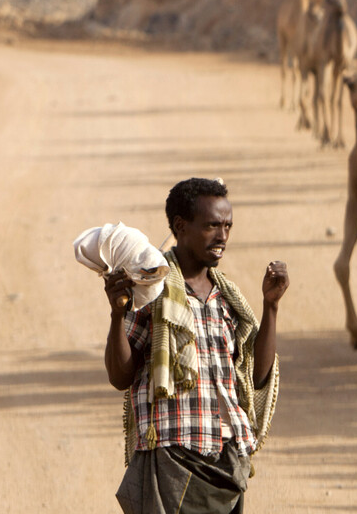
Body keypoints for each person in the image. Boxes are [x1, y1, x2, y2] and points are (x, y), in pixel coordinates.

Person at [103, 178, 286, 513]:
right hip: (173, 457)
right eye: (212, 226)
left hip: (226, 460)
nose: (222, 236)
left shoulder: (227, 298)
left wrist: (270, 306)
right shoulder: (151, 291)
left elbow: (255, 378)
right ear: (181, 226)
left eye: (228, 226)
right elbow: (120, 377)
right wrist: (118, 315)